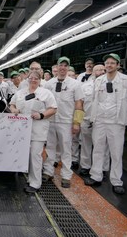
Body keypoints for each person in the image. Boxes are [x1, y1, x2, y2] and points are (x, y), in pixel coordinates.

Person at [84, 53, 127, 195]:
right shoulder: (99, 80)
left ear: (118, 65)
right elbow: (94, 99)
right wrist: (92, 118)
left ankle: (116, 181)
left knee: (116, 152)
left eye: (112, 63)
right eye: (107, 63)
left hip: (116, 122)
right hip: (100, 120)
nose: (109, 65)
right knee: (98, 149)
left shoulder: (126, 80)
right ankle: (96, 176)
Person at [9, 71, 57, 193]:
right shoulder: (20, 93)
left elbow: (53, 109)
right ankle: (21, 173)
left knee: (35, 154)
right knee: (21, 152)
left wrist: (41, 115)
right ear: (27, 79)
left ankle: (35, 183)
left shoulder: (46, 93)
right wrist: (14, 110)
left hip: (38, 128)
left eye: (36, 78)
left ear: (40, 80)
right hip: (21, 129)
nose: (33, 80)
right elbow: (12, 104)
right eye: (31, 78)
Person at [43, 56, 84, 188]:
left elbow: (79, 104)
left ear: (68, 68)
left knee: (66, 149)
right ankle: (48, 172)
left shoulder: (75, 84)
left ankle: (66, 176)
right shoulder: (49, 84)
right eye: (61, 65)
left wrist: (77, 122)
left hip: (66, 122)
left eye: (65, 66)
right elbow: (44, 103)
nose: (62, 68)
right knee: (50, 148)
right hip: (50, 120)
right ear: (57, 67)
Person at [79, 64, 107, 176]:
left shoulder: (109, 85)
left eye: (102, 69)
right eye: (97, 69)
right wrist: (79, 119)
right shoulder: (85, 86)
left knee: (103, 147)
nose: (100, 71)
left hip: (102, 120)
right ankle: (85, 166)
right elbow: (80, 103)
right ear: (93, 72)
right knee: (86, 144)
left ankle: (103, 168)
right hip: (87, 119)